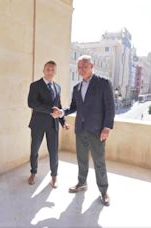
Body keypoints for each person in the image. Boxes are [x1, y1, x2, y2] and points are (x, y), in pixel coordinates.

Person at [55, 55, 115, 206]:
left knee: (99, 162)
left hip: (97, 130)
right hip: (80, 130)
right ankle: (82, 183)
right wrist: (61, 113)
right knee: (82, 159)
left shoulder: (103, 83)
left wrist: (107, 127)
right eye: (79, 67)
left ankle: (103, 191)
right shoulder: (77, 87)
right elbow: (74, 107)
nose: (81, 69)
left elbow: (110, 107)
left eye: (84, 66)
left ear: (92, 66)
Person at [27, 60, 69, 188]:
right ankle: (33, 172)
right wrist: (51, 111)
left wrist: (63, 122)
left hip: (53, 125)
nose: (50, 72)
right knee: (34, 150)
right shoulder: (35, 85)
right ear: (44, 70)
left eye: (52, 70)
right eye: (48, 69)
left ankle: (54, 177)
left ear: (55, 72)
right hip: (38, 124)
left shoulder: (58, 87)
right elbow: (32, 104)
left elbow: (59, 107)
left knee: (53, 152)